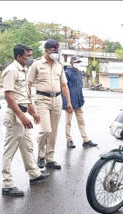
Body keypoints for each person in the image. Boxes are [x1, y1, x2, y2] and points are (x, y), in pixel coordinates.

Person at [1, 44, 50, 197]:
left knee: (27, 147)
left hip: (23, 114)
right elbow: (9, 97)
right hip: (15, 116)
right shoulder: (11, 70)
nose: (30, 59)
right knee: (10, 151)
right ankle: (7, 185)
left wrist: (33, 112)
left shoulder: (24, 70)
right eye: (28, 56)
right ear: (19, 57)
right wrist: (22, 116)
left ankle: (34, 174)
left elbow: (24, 95)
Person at [28, 39, 73, 170]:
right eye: (53, 51)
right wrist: (29, 101)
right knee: (46, 129)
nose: (55, 53)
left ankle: (50, 158)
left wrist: (68, 102)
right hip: (42, 99)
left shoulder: (59, 66)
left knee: (53, 131)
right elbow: (29, 83)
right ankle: (41, 155)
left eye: (57, 51)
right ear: (46, 50)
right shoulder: (36, 64)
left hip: (57, 100)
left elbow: (64, 85)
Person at [62, 56, 97, 148]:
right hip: (70, 103)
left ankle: (86, 140)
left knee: (81, 121)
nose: (77, 63)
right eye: (76, 62)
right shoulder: (66, 73)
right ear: (71, 63)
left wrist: (82, 99)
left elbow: (80, 87)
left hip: (78, 102)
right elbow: (64, 89)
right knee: (68, 122)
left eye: (78, 62)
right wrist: (66, 103)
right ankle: (69, 140)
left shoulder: (78, 73)